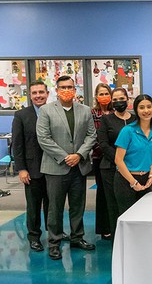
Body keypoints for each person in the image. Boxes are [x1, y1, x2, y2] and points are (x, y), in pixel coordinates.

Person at [36, 75, 97, 260]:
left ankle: (77, 237)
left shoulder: (85, 110)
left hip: (79, 167)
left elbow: (91, 136)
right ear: (56, 90)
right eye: (62, 87)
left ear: (75, 89)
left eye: (70, 87)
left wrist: (79, 155)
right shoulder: (46, 110)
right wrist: (65, 157)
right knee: (55, 208)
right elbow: (43, 138)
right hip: (55, 168)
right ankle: (54, 242)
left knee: (78, 206)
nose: (66, 90)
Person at [11, 81, 49, 252]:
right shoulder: (21, 115)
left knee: (53, 204)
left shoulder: (54, 112)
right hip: (32, 170)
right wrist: (22, 169)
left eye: (41, 92)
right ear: (30, 95)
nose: (38, 95)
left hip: (53, 169)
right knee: (33, 205)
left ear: (47, 93)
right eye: (34, 93)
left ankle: (55, 232)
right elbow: (17, 145)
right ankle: (34, 236)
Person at [97, 87, 136, 238]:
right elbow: (103, 143)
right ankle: (117, 237)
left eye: (121, 99)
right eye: (115, 100)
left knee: (131, 203)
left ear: (128, 100)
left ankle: (132, 236)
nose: (119, 102)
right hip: (110, 168)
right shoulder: (106, 120)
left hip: (133, 168)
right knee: (113, 204)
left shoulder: (134, 120)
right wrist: (119, 160)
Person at [114, 94, 152, 215]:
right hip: (126, 180)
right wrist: (133, 182)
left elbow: (150, 157)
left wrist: (151, 174)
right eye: (142, 107)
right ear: (136, 110)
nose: (146, 111)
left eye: (149, 107)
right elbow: (118, 160)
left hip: (145, 180)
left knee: (144, 216)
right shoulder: (128, 131)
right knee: (127, 216)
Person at [90, 83, 113, 240]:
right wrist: (105, 150)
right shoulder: (91, 114)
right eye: (101, 93)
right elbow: (92, 136)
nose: (104, 96)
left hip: (117, 159)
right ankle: (104, 227)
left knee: (114, 193)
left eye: (106, 93)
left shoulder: (115, 112)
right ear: (96, 96)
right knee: (103, 193)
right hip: (100, 158)